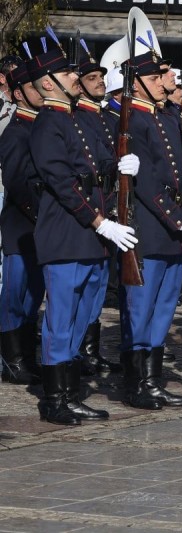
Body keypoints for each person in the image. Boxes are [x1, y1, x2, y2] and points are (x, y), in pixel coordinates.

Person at [29, 32, 139, 425]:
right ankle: (55, 399)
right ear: (47, 83)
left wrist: (121, 167)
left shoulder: (79, 118)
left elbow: (98, 165)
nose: (76, 78)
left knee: (86, 313)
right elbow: (60, 182)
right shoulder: (47, 124)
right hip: (67, 234)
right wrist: (99, 221)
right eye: (67, 73)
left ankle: (71, 390)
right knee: (62, 318)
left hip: (93, 235)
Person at [116, 47, 182, 410]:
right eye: (154, 78)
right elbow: (148, 182)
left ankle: (152, 380)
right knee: (140, 308)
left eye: (160, 77)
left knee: (165, 307)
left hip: (174, 228)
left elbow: (179, 173)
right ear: (135, 84)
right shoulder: (131, 121)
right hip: (149, 226)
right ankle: (137, 383)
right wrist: (179, 217)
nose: (161, 84)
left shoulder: (169, 116)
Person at [73, 40, 124, 377]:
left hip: (110, 203)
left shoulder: (106, 115)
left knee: (99, 283)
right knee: (81, 287)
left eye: (101, 77)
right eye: (92, 78)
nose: (100, 81)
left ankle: (90, 349)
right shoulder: (78, 116)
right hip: (90, 208)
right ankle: (76, 351)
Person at [0, 62, 44, 385]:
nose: (41, 90)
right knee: (15, 298)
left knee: (33, 296)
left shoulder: (41, 126)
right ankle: (11, 359)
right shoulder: (16, 132)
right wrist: (41, 214)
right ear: (18, 93)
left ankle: (27, 355)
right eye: (33, 86)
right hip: (20, 227)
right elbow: (16, 183)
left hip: (39, 230)